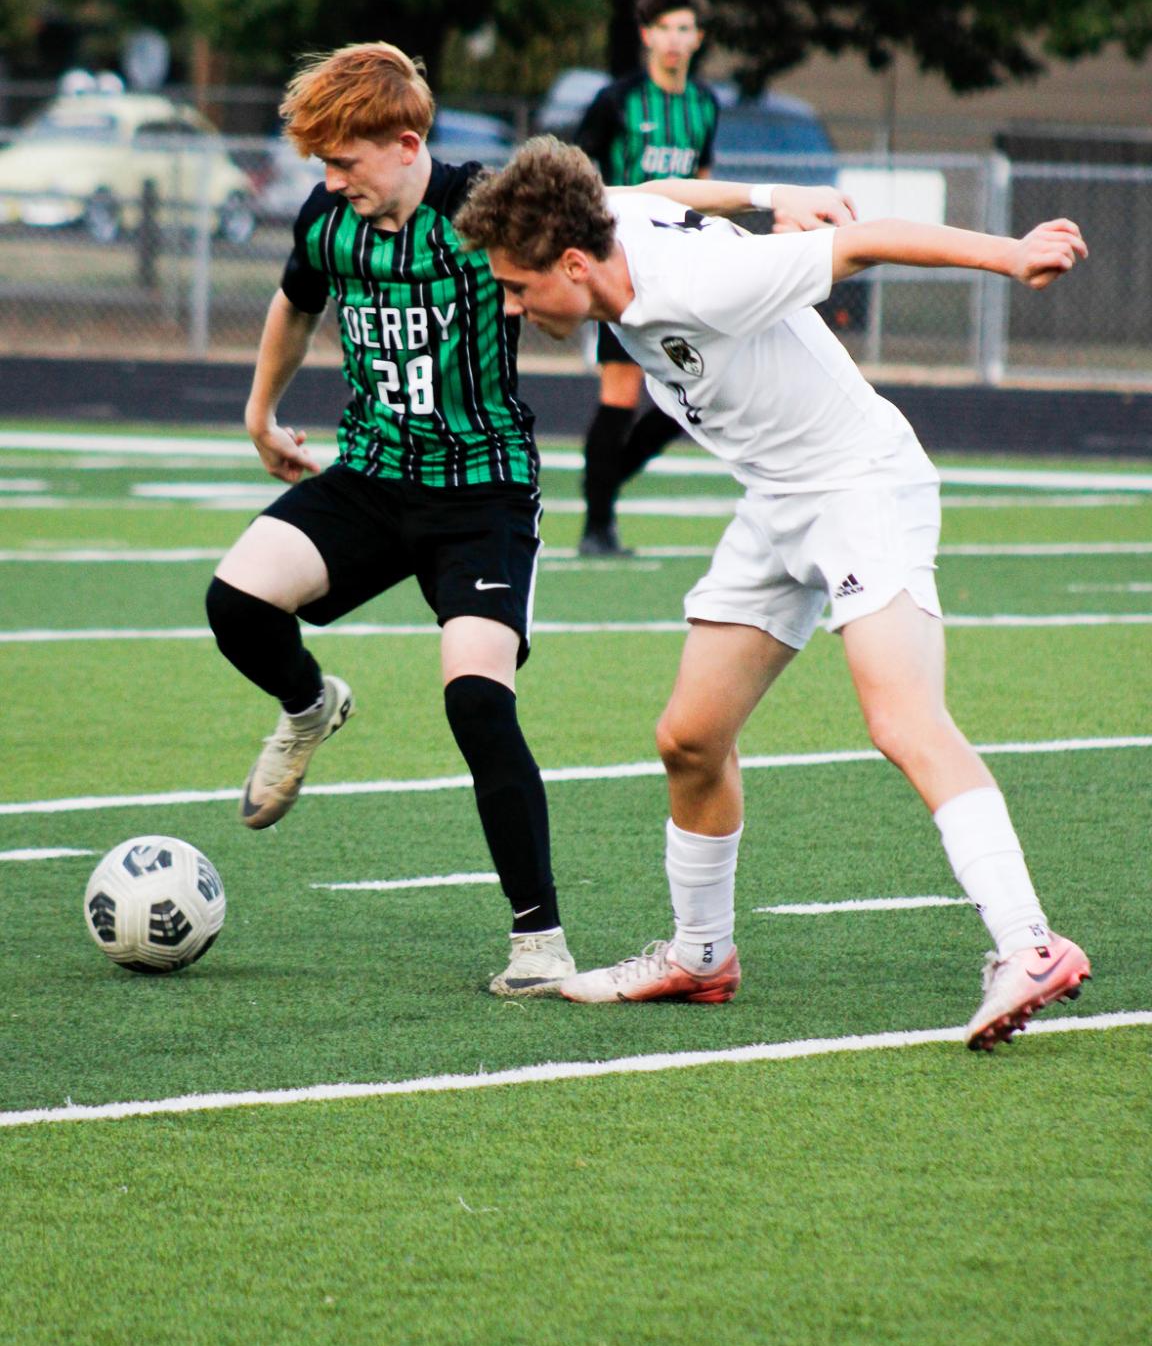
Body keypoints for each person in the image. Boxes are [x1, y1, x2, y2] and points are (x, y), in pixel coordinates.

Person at [456, 137, 1093, 1051]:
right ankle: (702, 954)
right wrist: (770, 190)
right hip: (776, 498)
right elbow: (648, 185)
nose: (512, 305)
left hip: (861, 485)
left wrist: (1010, 251)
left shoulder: (703, 281)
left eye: (517, 288)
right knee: (689, 738)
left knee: (904, 720)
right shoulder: (606, 217)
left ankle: (1030, 943)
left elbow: (870, 242)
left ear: (570, 262)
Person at [205, 43, 575, 998]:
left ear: (408, 143)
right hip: (372, 473)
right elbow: (296, 302)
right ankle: (308, 704)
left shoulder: (485, 208)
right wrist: (259, 412)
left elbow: (604, 245)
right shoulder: (332, 218)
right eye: (321, 167)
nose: (330, 184)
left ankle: (539, 939)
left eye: (345, 164)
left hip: (482, 488)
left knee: (476, 703)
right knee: (237, 601)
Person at [574, 0, 720, 555]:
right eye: (663, 28)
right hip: (621, 263)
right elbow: (580, 171)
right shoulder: (617, 101)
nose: (674, 40)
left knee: (695, 390)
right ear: (645, 35)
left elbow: (704, 184)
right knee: (620, 392)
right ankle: (597, 527)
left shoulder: (705, 106)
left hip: (680, 265)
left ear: (699, 37)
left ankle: (605, 484)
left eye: (684, 28)